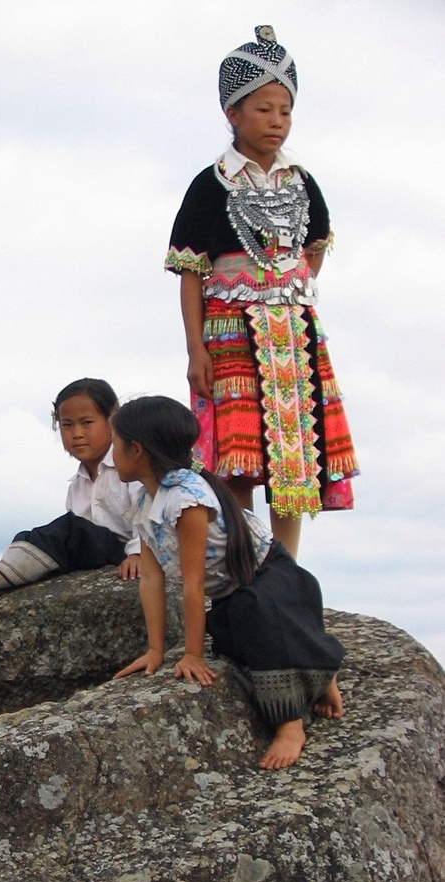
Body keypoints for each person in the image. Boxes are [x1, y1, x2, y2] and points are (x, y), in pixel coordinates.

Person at [165, 25, 359, 559]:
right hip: (229, 333)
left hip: (293, 335)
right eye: (264, 109)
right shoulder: (211, 185)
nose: (277, 121)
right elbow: (190, 273)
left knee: (293, 459)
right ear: (233, 113)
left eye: (285, 111)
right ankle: (245, 563)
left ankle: (286, 571)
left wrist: (284, 286)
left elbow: (313, 249)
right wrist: (195, 348)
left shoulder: (302, 182)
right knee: (238, 461)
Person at [112, 395, 344, 771]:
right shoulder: (146, 501)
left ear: (136, 449)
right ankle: (319, 671)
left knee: (259, 624)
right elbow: (152, 579)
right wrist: (156, 650)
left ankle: (291, 722)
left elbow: (193, 582)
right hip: (235, 593)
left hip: (276, 583)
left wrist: (192, 654)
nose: (112, 453)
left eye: (115, 443)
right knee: (228, 635)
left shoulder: (187, 500)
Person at [0, 378, 142, 611]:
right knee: (31, 538)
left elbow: (148, 515)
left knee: (68, 531)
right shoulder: (77, 485)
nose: (77, 433)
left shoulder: (130, 468)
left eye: (87, 422)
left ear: (113, 421)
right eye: (67, 425)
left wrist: (138, 554)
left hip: (126, 554)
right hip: (96, 558)